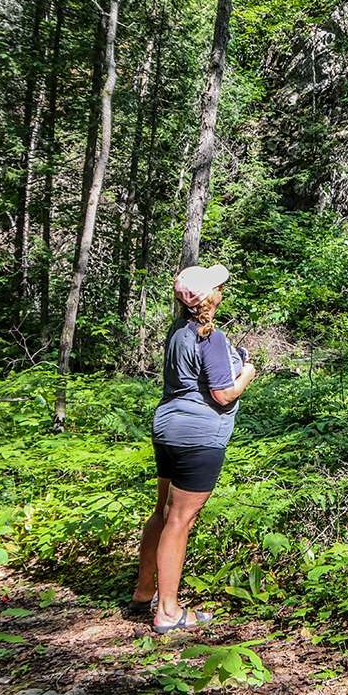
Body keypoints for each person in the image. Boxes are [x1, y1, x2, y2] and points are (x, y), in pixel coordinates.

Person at [127, 263, 257, 633]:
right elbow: (222, 393)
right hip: (198, 435)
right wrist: (246, 372)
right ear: (212, 298)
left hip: (167, 427)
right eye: (218, 288)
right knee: (181, 519)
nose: (222, 291)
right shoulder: (210, 337)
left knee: (163, 511)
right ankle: (168, 611)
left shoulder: (178, 332)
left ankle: (144, 591)